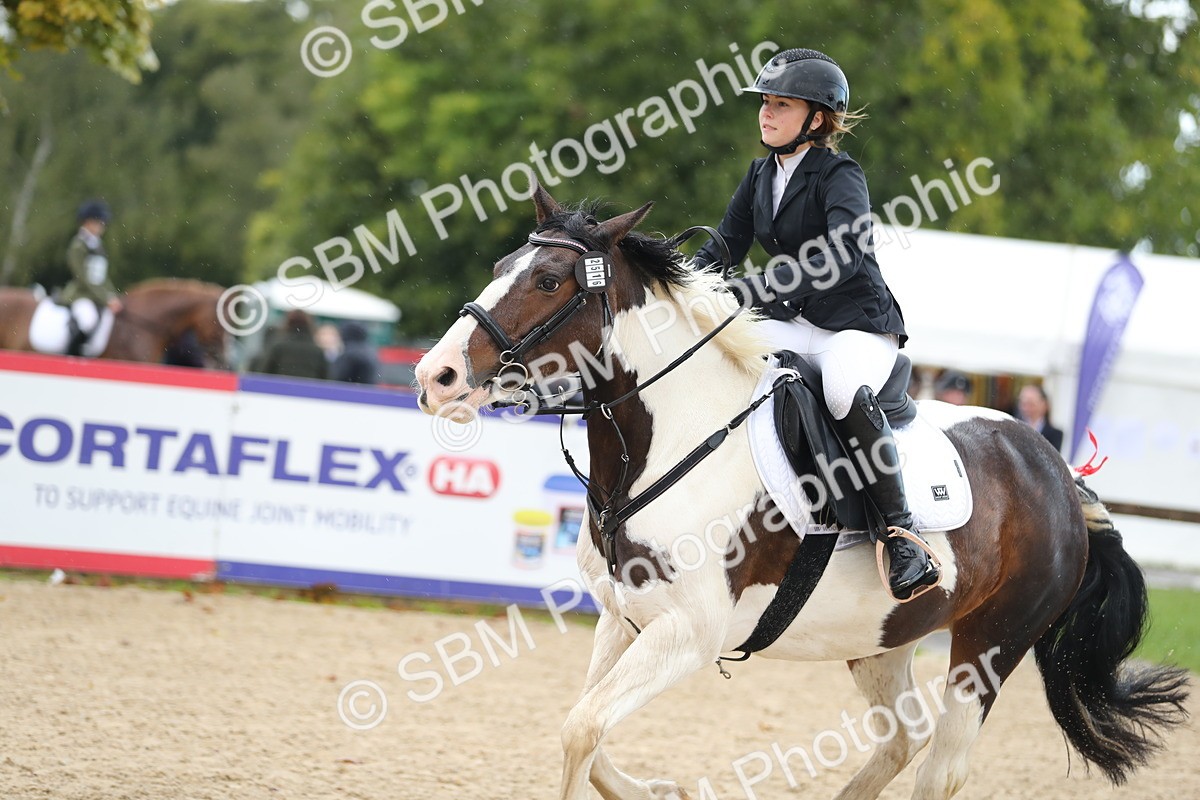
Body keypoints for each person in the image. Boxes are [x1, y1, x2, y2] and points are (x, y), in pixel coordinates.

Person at [695, 48, 938, 601]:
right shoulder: (759, 175)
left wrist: (759, 289)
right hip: (794, 322)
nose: (766, 114)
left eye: (781, 104)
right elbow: (727, 246)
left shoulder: (839, 173)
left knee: (840, 391)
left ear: (817, 119)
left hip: (856, 325)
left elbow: (843, 255)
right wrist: (676, 280)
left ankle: (902, 534)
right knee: (718, 357)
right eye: (764, 103)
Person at [62, 199, 122, 356]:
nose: (101, 226)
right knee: (88, 320)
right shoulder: (78, 245)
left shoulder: (97, 246)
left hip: (96, 295)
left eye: (102, 223)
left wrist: (112, 296)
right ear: (86, 222)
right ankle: (72, 355)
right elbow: (82, 278)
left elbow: (101, 277)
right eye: (97, 222)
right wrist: (105, 298)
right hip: (80, 294)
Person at [260, 309, 328, 380]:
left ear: (288, 323)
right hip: (307, 389)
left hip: (280, 388)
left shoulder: (279, 347)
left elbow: (265, 373)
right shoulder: (317, 351)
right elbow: (325, 378)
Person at [1016, 383, 1064, 453]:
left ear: (1044, 405)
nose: (1026, 408)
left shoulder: (1055, 434)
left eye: (1031, 404)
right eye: (1023, 404)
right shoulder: (1014, 427)